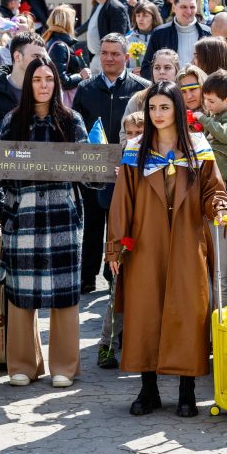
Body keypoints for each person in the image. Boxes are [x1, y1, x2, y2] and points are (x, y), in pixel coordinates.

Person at [0, 57, 89, 389]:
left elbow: (90, 171)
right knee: (20, 293)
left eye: (49, 79)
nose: (44, 85)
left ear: (56, 84)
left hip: (63, 215)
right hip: (24, 214)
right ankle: (23, 364)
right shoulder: (12, 121)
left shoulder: (72, 120)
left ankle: (65, 365)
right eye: (37, 79)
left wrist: (106, 170)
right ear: (29, 83)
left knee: (65, 292)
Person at [107, 81, 227, 417]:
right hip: (145, 243)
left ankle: (187, 389)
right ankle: (148, 390)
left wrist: (220, 208)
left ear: (178, 108)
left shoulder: (199, 147)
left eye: (164, 107)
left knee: (188, 311)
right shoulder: (135, 150)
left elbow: (212, 190)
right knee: (145, 312)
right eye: (152, 108)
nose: (158, 114)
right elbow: (123, 202)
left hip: (188, 240)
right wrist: (116, 248)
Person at [72, 33, 150, 294]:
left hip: (130, 166)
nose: (109, 58)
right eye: (104, 53)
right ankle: (87, 276)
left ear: (126, 57)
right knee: (92, 224)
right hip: (94, 167)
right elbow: (77, 127)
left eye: (115, 53)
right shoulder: (86, 88)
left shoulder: (141, 88)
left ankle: (113, 272)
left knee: (121, 222)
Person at [95, 110, 143, 369]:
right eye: (128, 133)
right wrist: (116, 181)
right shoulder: (118, 161)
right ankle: (106, 345)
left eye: (139, 133)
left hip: (148, 236)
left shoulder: (154, 160)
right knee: (117, 294)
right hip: (124, 238)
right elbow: (105, 204)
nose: (132, 138)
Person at [193, 70, 227, 297]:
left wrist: (203, 120)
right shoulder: (218, 114)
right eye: (205, 101)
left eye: (211, 101)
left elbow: (225, 135)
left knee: (223, 273)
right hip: (216, 184)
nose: (207, 105)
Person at [0, 32, 47, 139]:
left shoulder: (46, 93)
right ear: (17, 57)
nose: (42, 62)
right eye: (36, 56)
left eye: (44, 57)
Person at [141, 0, 211, 78]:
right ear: (174, 8)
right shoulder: (159, 33)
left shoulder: (208, 33)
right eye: (183, 7)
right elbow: (146, 68)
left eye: (192, 7)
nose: (188, 11)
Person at [77, 0, 130, 72]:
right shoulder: (100, 5)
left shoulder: (115, 7)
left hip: (109, 60)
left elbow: (118, 37)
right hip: (98, 57)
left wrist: (109, 57)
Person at [42, 5, 91, 103]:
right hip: (64, 100)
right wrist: (81, 76)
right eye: (74, 19)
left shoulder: (53, 40)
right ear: (68, 22)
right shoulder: (59, 46)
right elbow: (61, 80)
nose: (75, 23)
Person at [122, 49, 179, 123]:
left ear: (176, 71)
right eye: (157, 68)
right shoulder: (139, 99)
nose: (161, 72)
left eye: (167, 67)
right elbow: (124, 132)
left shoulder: (186, 96)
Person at [125, 0, 163, 74]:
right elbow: (119, 68)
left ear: (154, 18)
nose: (140, 19)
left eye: (145, 16)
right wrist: (131, 72)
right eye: (138, 15)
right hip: (133, 81)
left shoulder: (161, 39)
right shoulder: (127, 40)